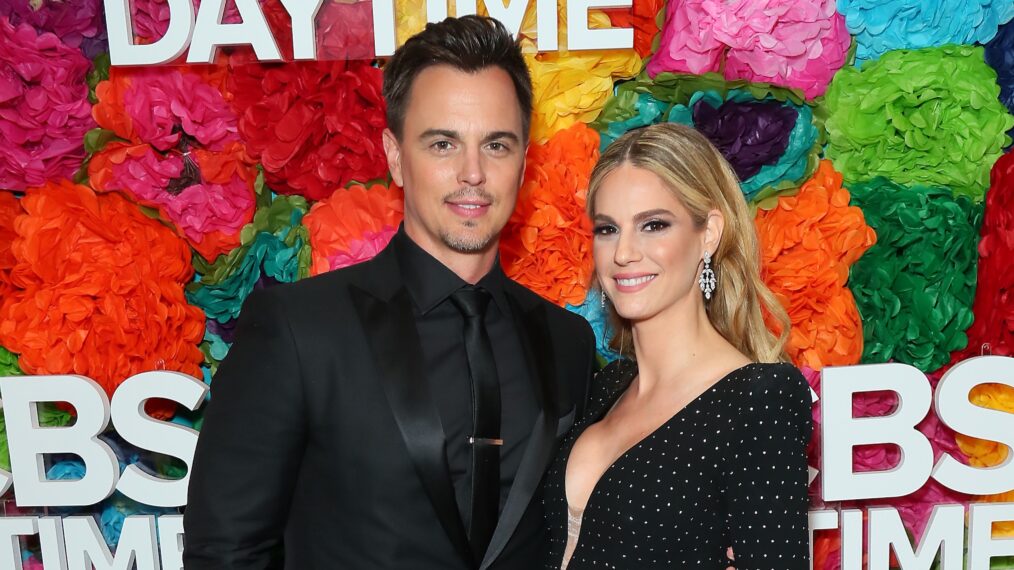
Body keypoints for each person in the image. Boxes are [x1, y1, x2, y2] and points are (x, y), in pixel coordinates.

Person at [183, 16, 596, 570]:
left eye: (496, 145)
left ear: (524, 161)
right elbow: (225, 554)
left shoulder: (566, 342)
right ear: (396, 156)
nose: (472, 172)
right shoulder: (299, 329)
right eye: (443, 143)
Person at [543, 123, 812, 569]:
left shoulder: (758, 397)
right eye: (608, 229)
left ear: (708, 234)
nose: (624, 253)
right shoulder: (608, 385)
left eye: (653, 225)